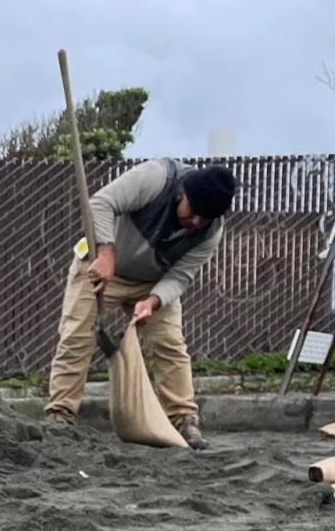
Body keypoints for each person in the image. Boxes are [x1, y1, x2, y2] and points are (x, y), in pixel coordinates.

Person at [45, 160, 235, 449]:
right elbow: (101, 203)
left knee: (170, 344)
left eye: (205, 218)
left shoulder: (210, 232)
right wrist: (106, 252)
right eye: (194, 211)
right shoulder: (155, 178)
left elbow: (181, 276)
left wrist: (153, 301)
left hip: (153, 283)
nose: (196, 222)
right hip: (102, 266)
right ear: (182, 193)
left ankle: (183, 420)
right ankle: (60, 414)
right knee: (77, 336)